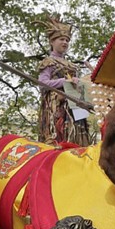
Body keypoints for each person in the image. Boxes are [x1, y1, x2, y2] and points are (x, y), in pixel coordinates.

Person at [36, 17, 90, 146]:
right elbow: (42, 84)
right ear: (52, 41)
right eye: (61, 39)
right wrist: (65, 81)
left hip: (75, 107)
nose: (65, 42)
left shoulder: (72, 65)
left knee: (78, 139)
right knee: (58, 138)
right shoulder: (48, 62)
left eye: (67, 40)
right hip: (56, 107)